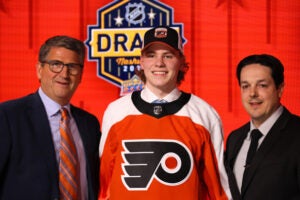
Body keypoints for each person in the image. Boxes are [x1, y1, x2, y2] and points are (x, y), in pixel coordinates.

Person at [99, 26, 230, 200]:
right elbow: (103, 186)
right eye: (151, 55)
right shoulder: (116, 112)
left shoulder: (204, 114)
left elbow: (218, 189)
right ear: (141, 61)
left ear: (181, 62)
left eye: (168, 56)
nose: (159, 63)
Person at [0, 35, 101, 199]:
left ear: (81, 75)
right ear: (39, 70)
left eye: (72, 66)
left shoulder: (89, 124)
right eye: (56, 65)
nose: (64, 73)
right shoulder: (8, 116)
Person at [224, 54, 300, 200]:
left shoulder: (297, 133)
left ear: (280, 89)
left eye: (262, 85)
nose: (252, 93)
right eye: (245, 86)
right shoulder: (235, 138)